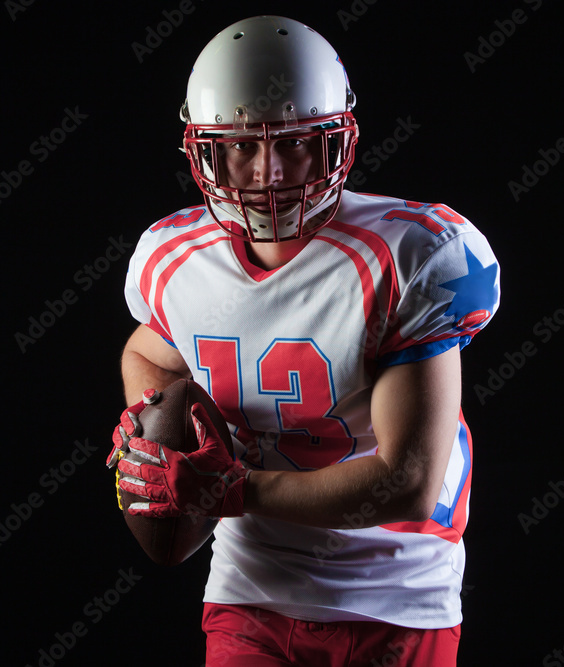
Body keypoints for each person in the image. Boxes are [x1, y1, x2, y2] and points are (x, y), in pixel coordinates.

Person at [107, 15, 500, 666]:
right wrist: (161, 428)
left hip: (396, 585)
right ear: (204, 150)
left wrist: (229, 488)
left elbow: (407, 480)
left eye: (294, 142)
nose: (269, 171)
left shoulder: (408, 254)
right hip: (253, 582)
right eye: (241, 144)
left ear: (336, 142)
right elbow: (147, 351)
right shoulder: (175, 257)